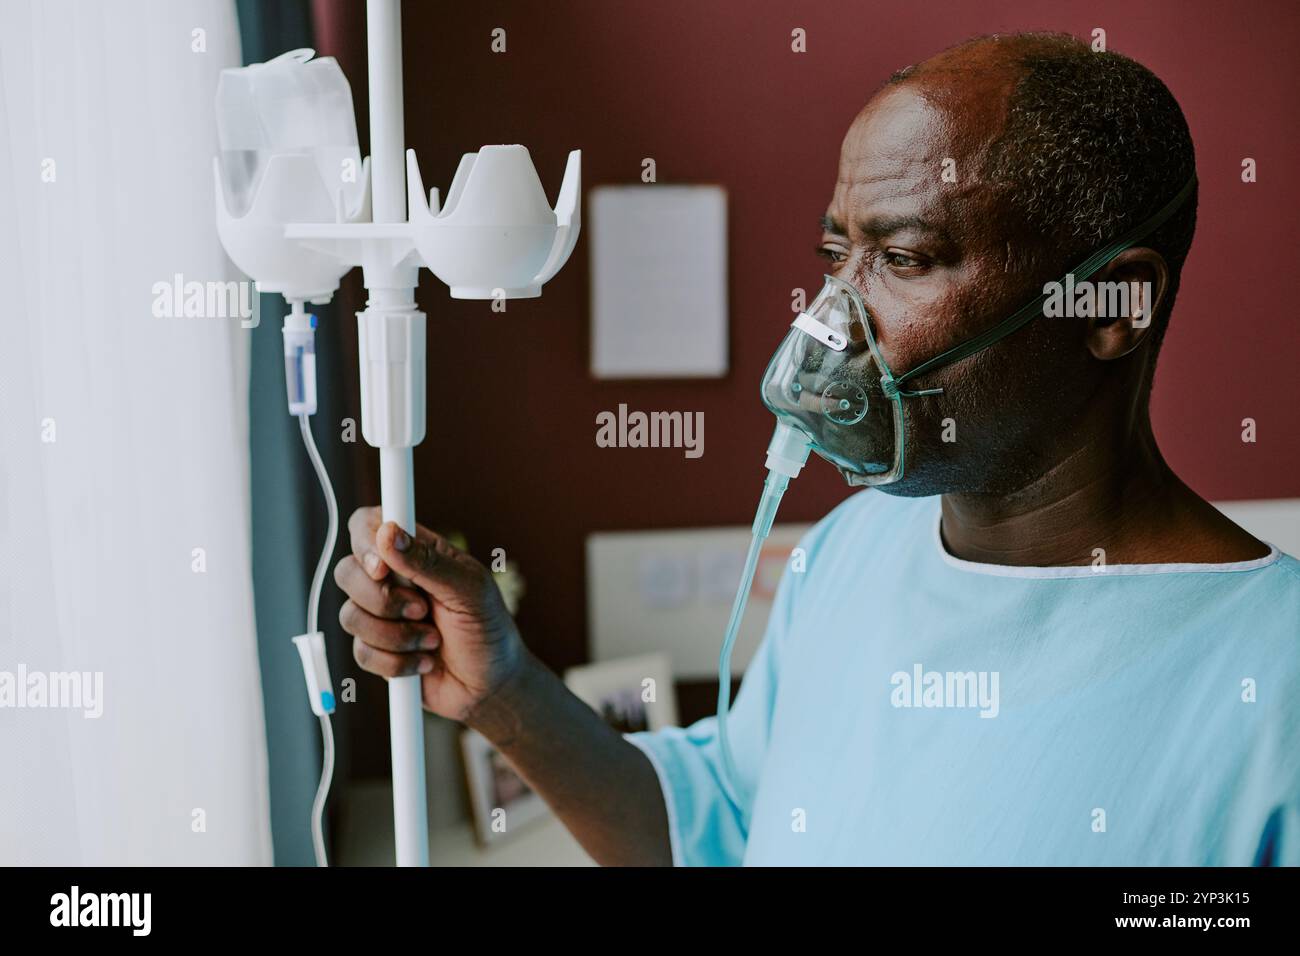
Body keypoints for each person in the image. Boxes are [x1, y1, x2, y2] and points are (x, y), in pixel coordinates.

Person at [333, 33, 1299, 865]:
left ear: (1113, 303)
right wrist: (506, 694)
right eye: (837, 257)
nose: (830, 324)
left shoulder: (1273, 677)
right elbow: (722, 828)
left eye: (906, 258)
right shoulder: (852, 552)